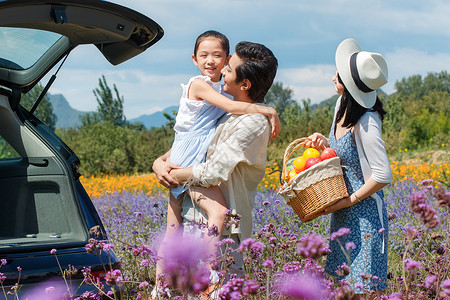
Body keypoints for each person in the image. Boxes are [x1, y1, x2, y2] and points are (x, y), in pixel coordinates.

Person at [152, 33, 279, 297]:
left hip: (221, 236)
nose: (221, 69)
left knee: (214, 291)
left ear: (244, 84)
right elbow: (195, 141)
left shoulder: (253, 122)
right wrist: (160, 163)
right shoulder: (225, 111)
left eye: (228, 66)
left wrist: (173, 173)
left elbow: (212, 172)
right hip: (194, 219)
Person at [306, 38, 392, 296]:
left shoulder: (367, 122)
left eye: (339, 75)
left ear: (351, 84)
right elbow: (345, 155)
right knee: (342, 287)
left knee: (362, 289)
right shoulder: (340, 105)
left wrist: (349, 200)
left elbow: (383, 174)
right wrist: (325, 145)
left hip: (365, 216)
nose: (334, 77)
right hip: (343, 209)